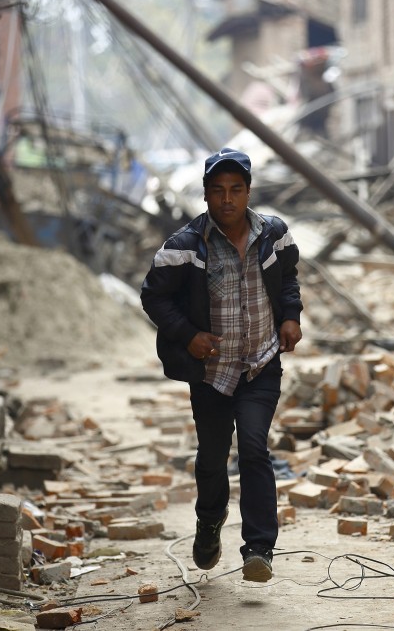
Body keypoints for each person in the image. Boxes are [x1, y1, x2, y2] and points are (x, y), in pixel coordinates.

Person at [141, 147, 303, 583]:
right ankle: (210, 522)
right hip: (212, 372)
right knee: (212, 458)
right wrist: (187, 335)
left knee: (253, 447)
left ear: (248, 192)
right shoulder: (183, 247)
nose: (227, 199)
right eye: (218, 190)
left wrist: (291, 316)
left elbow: (288, 278)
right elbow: (153, 296)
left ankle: (259, 549)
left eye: (236, 189)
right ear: (206, 194)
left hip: (260, 363)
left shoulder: (274, 234)